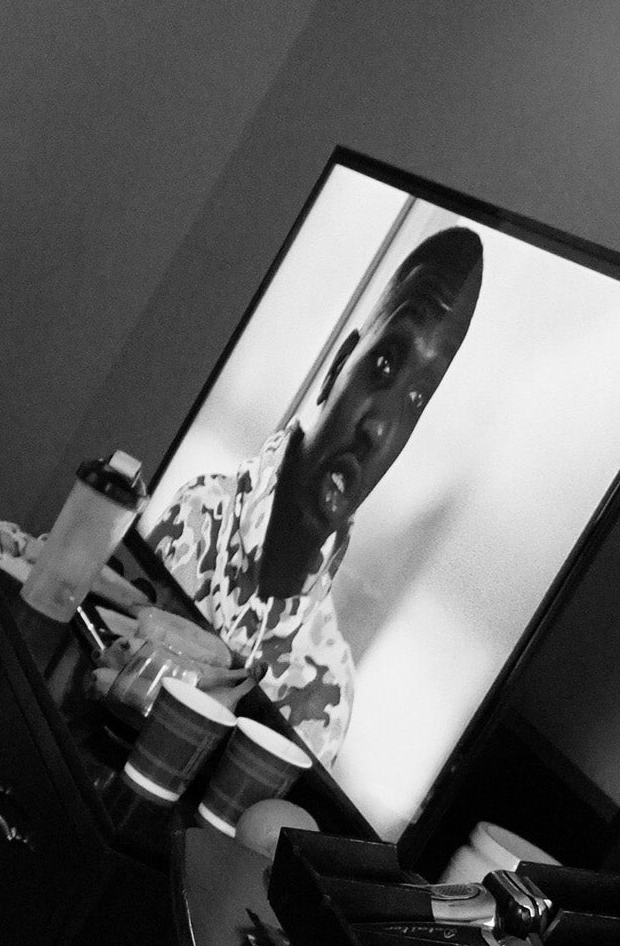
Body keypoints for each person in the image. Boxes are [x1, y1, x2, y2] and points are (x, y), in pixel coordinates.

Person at [144, 227, 485, 762]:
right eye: (386, 365)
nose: (379, 429)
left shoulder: (327, 686)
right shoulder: (198, 518)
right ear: (337, 366)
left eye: (416, 400)